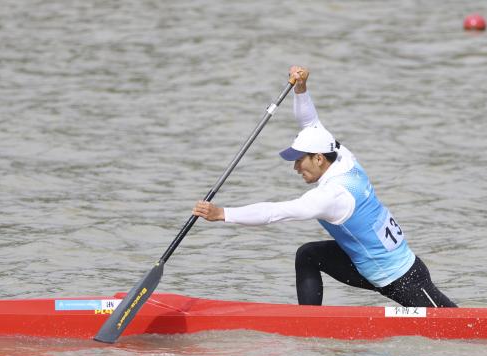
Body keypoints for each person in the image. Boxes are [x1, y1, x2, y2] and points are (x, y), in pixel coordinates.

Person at [192, 66, 457, 308]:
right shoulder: (342, 156)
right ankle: (308, 324)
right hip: (364, 265)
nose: (296, 168)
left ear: (318, 158)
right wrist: (301, 88)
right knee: (308, 255)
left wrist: (222, 214)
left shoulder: (332, 196)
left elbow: (275, 212)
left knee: (457, 327)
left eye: (299, 160)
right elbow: (310, 123)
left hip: (403, 277)